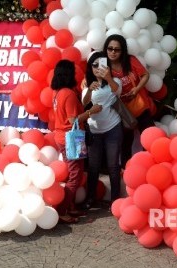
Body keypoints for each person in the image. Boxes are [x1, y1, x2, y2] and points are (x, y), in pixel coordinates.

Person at [51, 59, 102, 223]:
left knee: (72, 172)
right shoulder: (69, 93)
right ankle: (62, 210)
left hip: (61, 136)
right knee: (75, 175)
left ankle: (70, 206)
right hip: (71, 138)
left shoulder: (58, 92)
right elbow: (73, 120)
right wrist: (91, 111)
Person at [103, 34, 155, 168]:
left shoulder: (130, 60)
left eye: (117, 49)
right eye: (110, 49)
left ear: (122, 51)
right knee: (126, 140)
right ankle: (127, 168)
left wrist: (137, 89)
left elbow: (145, 75)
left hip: (139, 106)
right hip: (120, 110)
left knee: (150, 136)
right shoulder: (103, 66)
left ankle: (149, 164)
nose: (113, 52)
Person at [82, 51, 123, 209]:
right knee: (93, 166)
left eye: (102, 64)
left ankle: (115, 201)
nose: (98, 68)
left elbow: (117, 90)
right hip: (94, 130)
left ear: (107, 66)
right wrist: (90, 89)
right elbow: (84, 103)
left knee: (113, 166)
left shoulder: (115, 81)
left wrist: (107, 78)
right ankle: (90, 198)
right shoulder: (87, 84)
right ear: (90, 67)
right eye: (94, 65)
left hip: (113, 128)